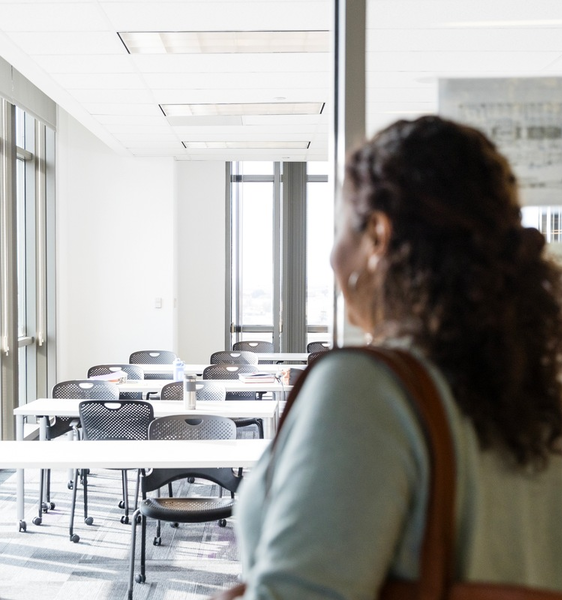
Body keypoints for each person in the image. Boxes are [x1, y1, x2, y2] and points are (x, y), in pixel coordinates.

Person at [214, 116, 562, 600]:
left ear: (378, 234)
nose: (332, 257)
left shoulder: (366, 388)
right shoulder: (539, 393)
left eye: (340, 228)